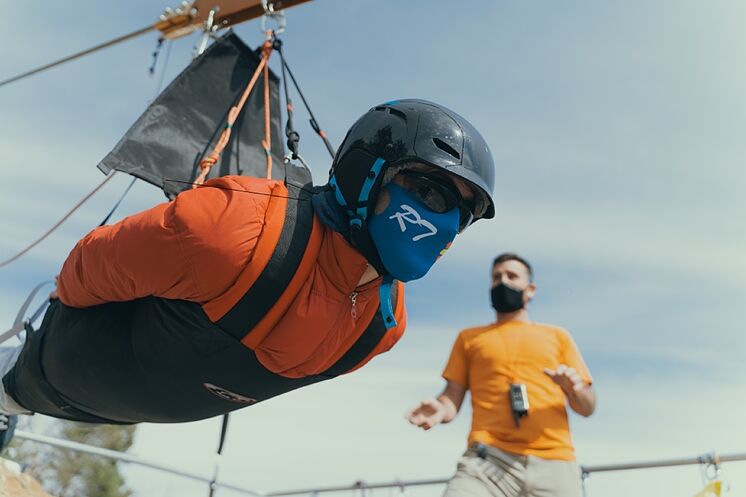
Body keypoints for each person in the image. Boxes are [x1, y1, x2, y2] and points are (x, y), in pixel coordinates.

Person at [0, 99, 495, 446]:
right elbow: (79, 277)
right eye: (434, 194)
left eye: (465, 214)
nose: (448, 224)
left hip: (106, 410)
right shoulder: (233, 228)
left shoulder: (383, 327)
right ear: (366, 173)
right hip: (39, 373)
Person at [406, 253, 595, 497]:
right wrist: (440, 410)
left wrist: (575, 388)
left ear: (531, 290)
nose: (502, 282)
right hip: (487, 461)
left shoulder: (558, 336)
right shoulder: (469, 338)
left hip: (555, 463)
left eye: (512, 276)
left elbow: (588, 407)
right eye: (496, 277)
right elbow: (452, 397)